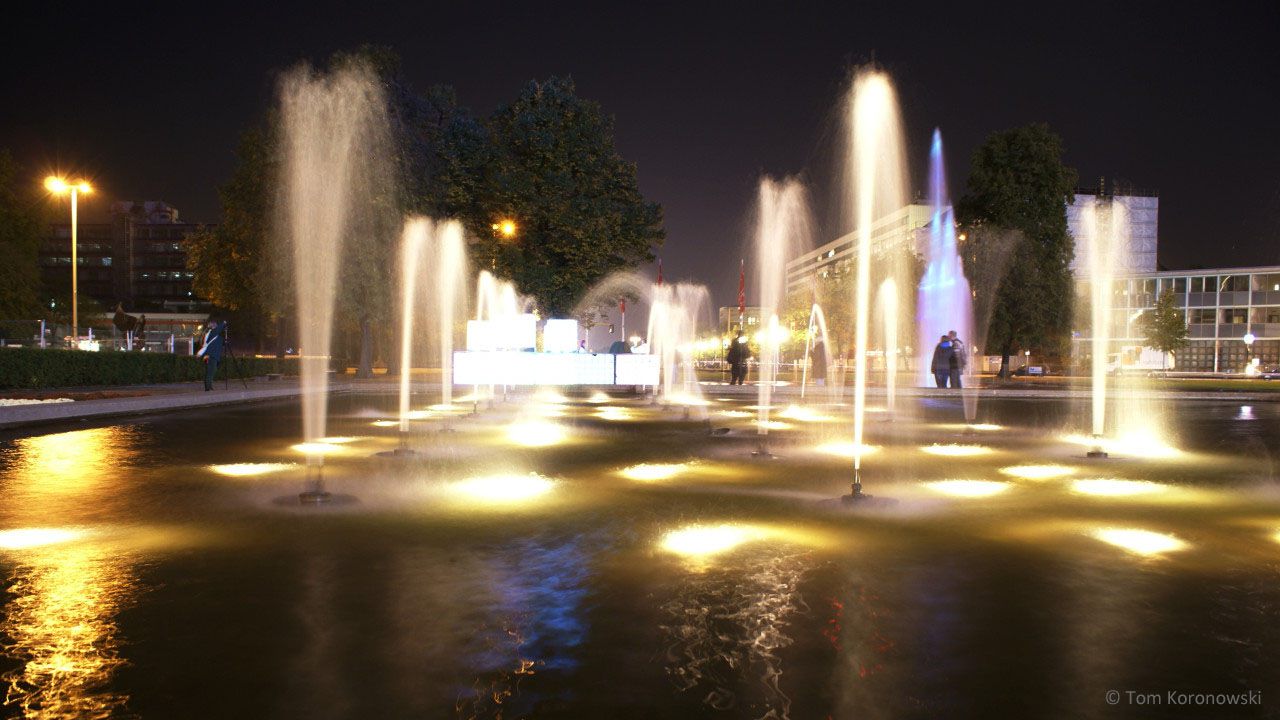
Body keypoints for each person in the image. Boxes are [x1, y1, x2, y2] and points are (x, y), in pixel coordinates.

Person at [196, 319, 225, 391]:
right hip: (211, 355)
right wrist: (224, 323)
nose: (216, 326)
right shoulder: (212, 333)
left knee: (212, 370)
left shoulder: (213, 334)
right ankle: (208, 387)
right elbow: (219, 328)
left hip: (212, 355)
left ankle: (209, 386)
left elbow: (221, 342)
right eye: (215, 325)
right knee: (210, 371)